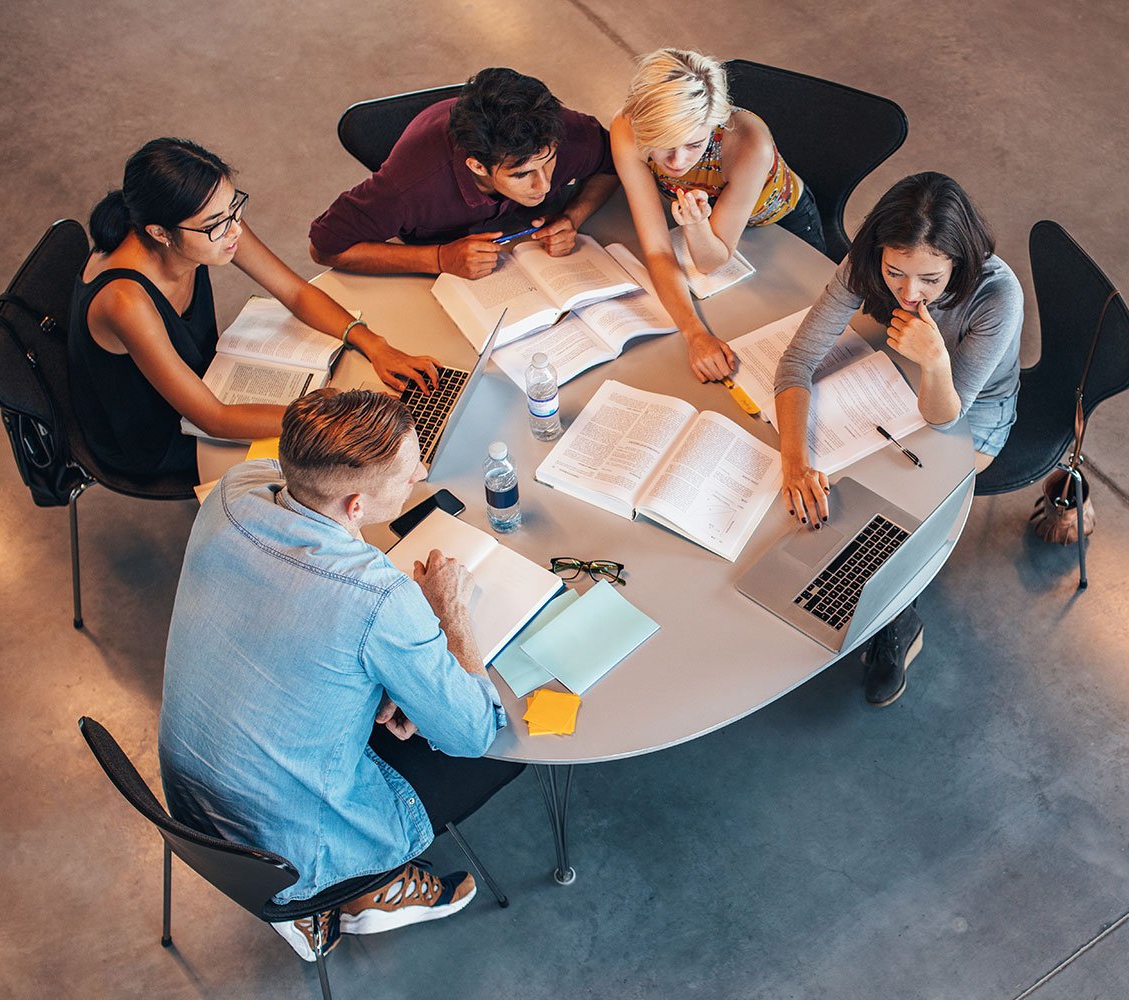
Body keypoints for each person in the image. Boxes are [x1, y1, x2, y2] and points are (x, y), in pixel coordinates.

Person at [158, 388, 524, 962]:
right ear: (356, 507)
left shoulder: (235, 489)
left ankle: (337, 892)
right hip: (290, 842)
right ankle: (361, 887)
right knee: (512, 752)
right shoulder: (380, 599)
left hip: (191, 800)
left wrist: (380, 679)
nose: (422, 472)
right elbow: (474, 733)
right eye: (409, 473)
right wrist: (449, 615)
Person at [773, 173, 1024, 706]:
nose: (909, 294)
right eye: (895, 274)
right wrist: (794, 461)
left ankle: (895, 616)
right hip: (891, 380)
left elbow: (945, 418)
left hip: (973, 412)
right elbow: (796, 362)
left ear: (959, 261)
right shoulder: (865, 266)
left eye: (931, 280)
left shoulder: (996, 295)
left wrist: (933, 359)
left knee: (896, 498)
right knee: (832, 475)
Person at [70, 137, 438, 483]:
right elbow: (211, 418)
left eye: (233, 209)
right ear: (160, 233)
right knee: (333, 467)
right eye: (216, 225)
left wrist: (373, 344)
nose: (233, 231)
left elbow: (294, 292)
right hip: (157, 431)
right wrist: (333, 412)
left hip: (205, 378)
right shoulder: (125, 301)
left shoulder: (210, 221)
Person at [610, 48, 826, 382]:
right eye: (664, 144)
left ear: (715, 122)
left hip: (781, 222)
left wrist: (696, 226)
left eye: (694, 145)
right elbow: (657, 249)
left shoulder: (749, 143)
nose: (678, 161)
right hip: (707, 221)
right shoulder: (627, 131)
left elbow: (711, 261)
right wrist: (694, 333)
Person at [310, 67, 620, 277]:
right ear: (477, 166)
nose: (544, 184)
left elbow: (613, 164)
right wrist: (439, 259)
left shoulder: (563, 133)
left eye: (549, 161)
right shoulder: (410, 185)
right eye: (521, 174)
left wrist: (572, 218)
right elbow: (325, 248)